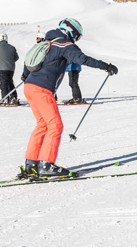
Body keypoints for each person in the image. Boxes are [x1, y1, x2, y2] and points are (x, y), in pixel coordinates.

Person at [17, 17, 118, 179]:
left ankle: (31, 164)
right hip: (42, 88)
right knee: (55, 125)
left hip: (30, 87)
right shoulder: (64, 44)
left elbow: (28, 60)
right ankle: (46, 165)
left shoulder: (47, 42)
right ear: (70, 32)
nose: (76, 40)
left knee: (42, 125)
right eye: (77, 36)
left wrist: (26, 76)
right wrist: (105, 66)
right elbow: (82, 59)